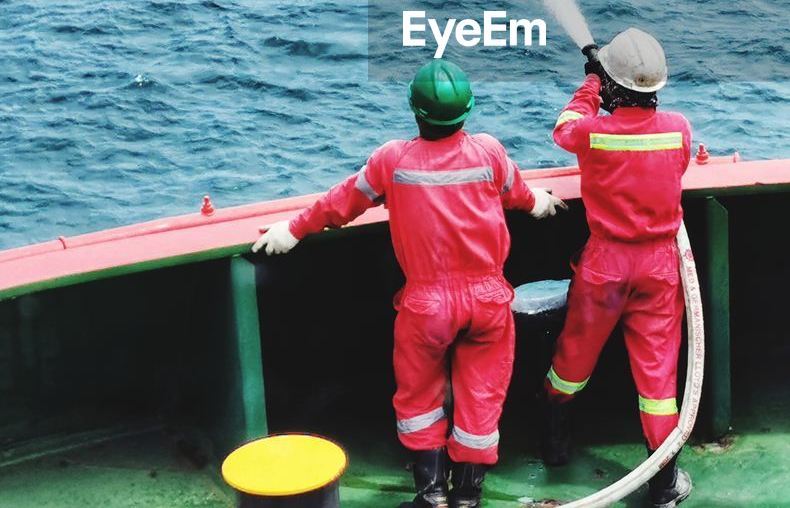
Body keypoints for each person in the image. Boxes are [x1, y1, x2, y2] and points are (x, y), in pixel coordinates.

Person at [253, 59, 565, 508]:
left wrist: (292, 230)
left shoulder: (391, 161)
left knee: (419, 397)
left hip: (427, 306)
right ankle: (467, 495)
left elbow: (340, 203)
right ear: (467, 112)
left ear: (415, 112)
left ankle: (431, 493)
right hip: (487, 299)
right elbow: (520, 193)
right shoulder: (490, 153)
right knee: (481, 397)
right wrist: (540, 204)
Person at [541, 28, 693, 508]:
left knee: (573, 358)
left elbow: (564, 128)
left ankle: (554, 440)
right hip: (660, 265)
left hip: (605, 264)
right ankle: (664, 483)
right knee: (658, 378)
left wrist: (590, 85)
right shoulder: (679, 129)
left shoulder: (592, 132)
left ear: (612, 86)